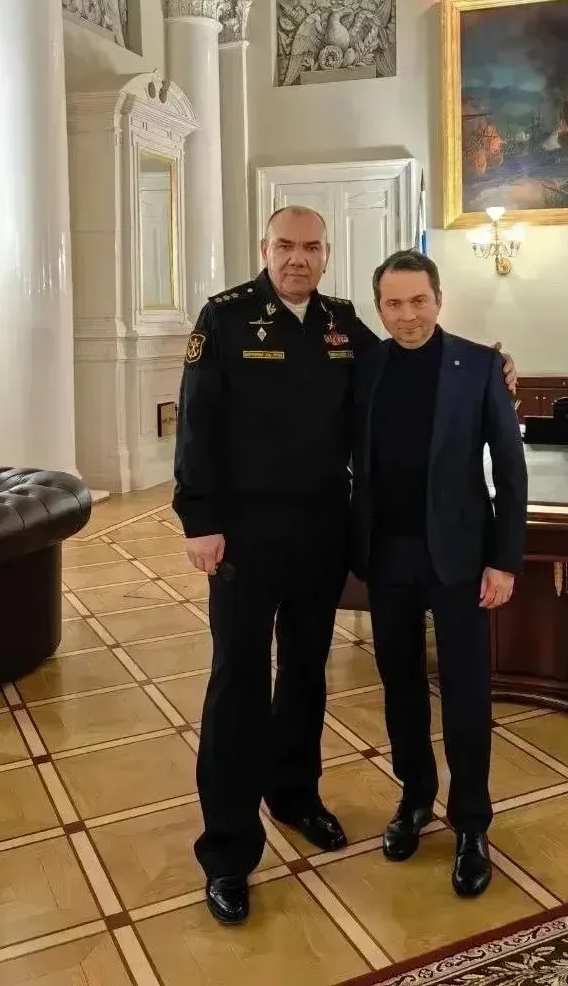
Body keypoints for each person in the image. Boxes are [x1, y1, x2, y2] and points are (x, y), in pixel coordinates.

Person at [174, 206, 518, 926]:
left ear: (327, 255)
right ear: (265, 248)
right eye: (285, 246)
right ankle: (228, 851)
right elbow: (196, 422)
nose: (297, 258)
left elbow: (411, 355)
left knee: (306, 675)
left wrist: (489, 365)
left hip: (323, 535)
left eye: (311, 247)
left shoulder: (341, 323)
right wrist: (198, 518)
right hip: (244, 539)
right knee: (239, 683)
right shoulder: (225, 317)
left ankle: (295, 796)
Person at [350, 249, 527, 897]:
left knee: (466, 692)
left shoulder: (478, 366)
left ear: (439, 300)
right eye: (394, 304)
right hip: (387, 556)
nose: (408, 315)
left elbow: (510, 469)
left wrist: (504, 559)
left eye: (418, 301)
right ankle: (415, 797)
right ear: (379, 309)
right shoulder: (364, 366)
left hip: (459, 558)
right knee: (399, 686)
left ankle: (471, 823)